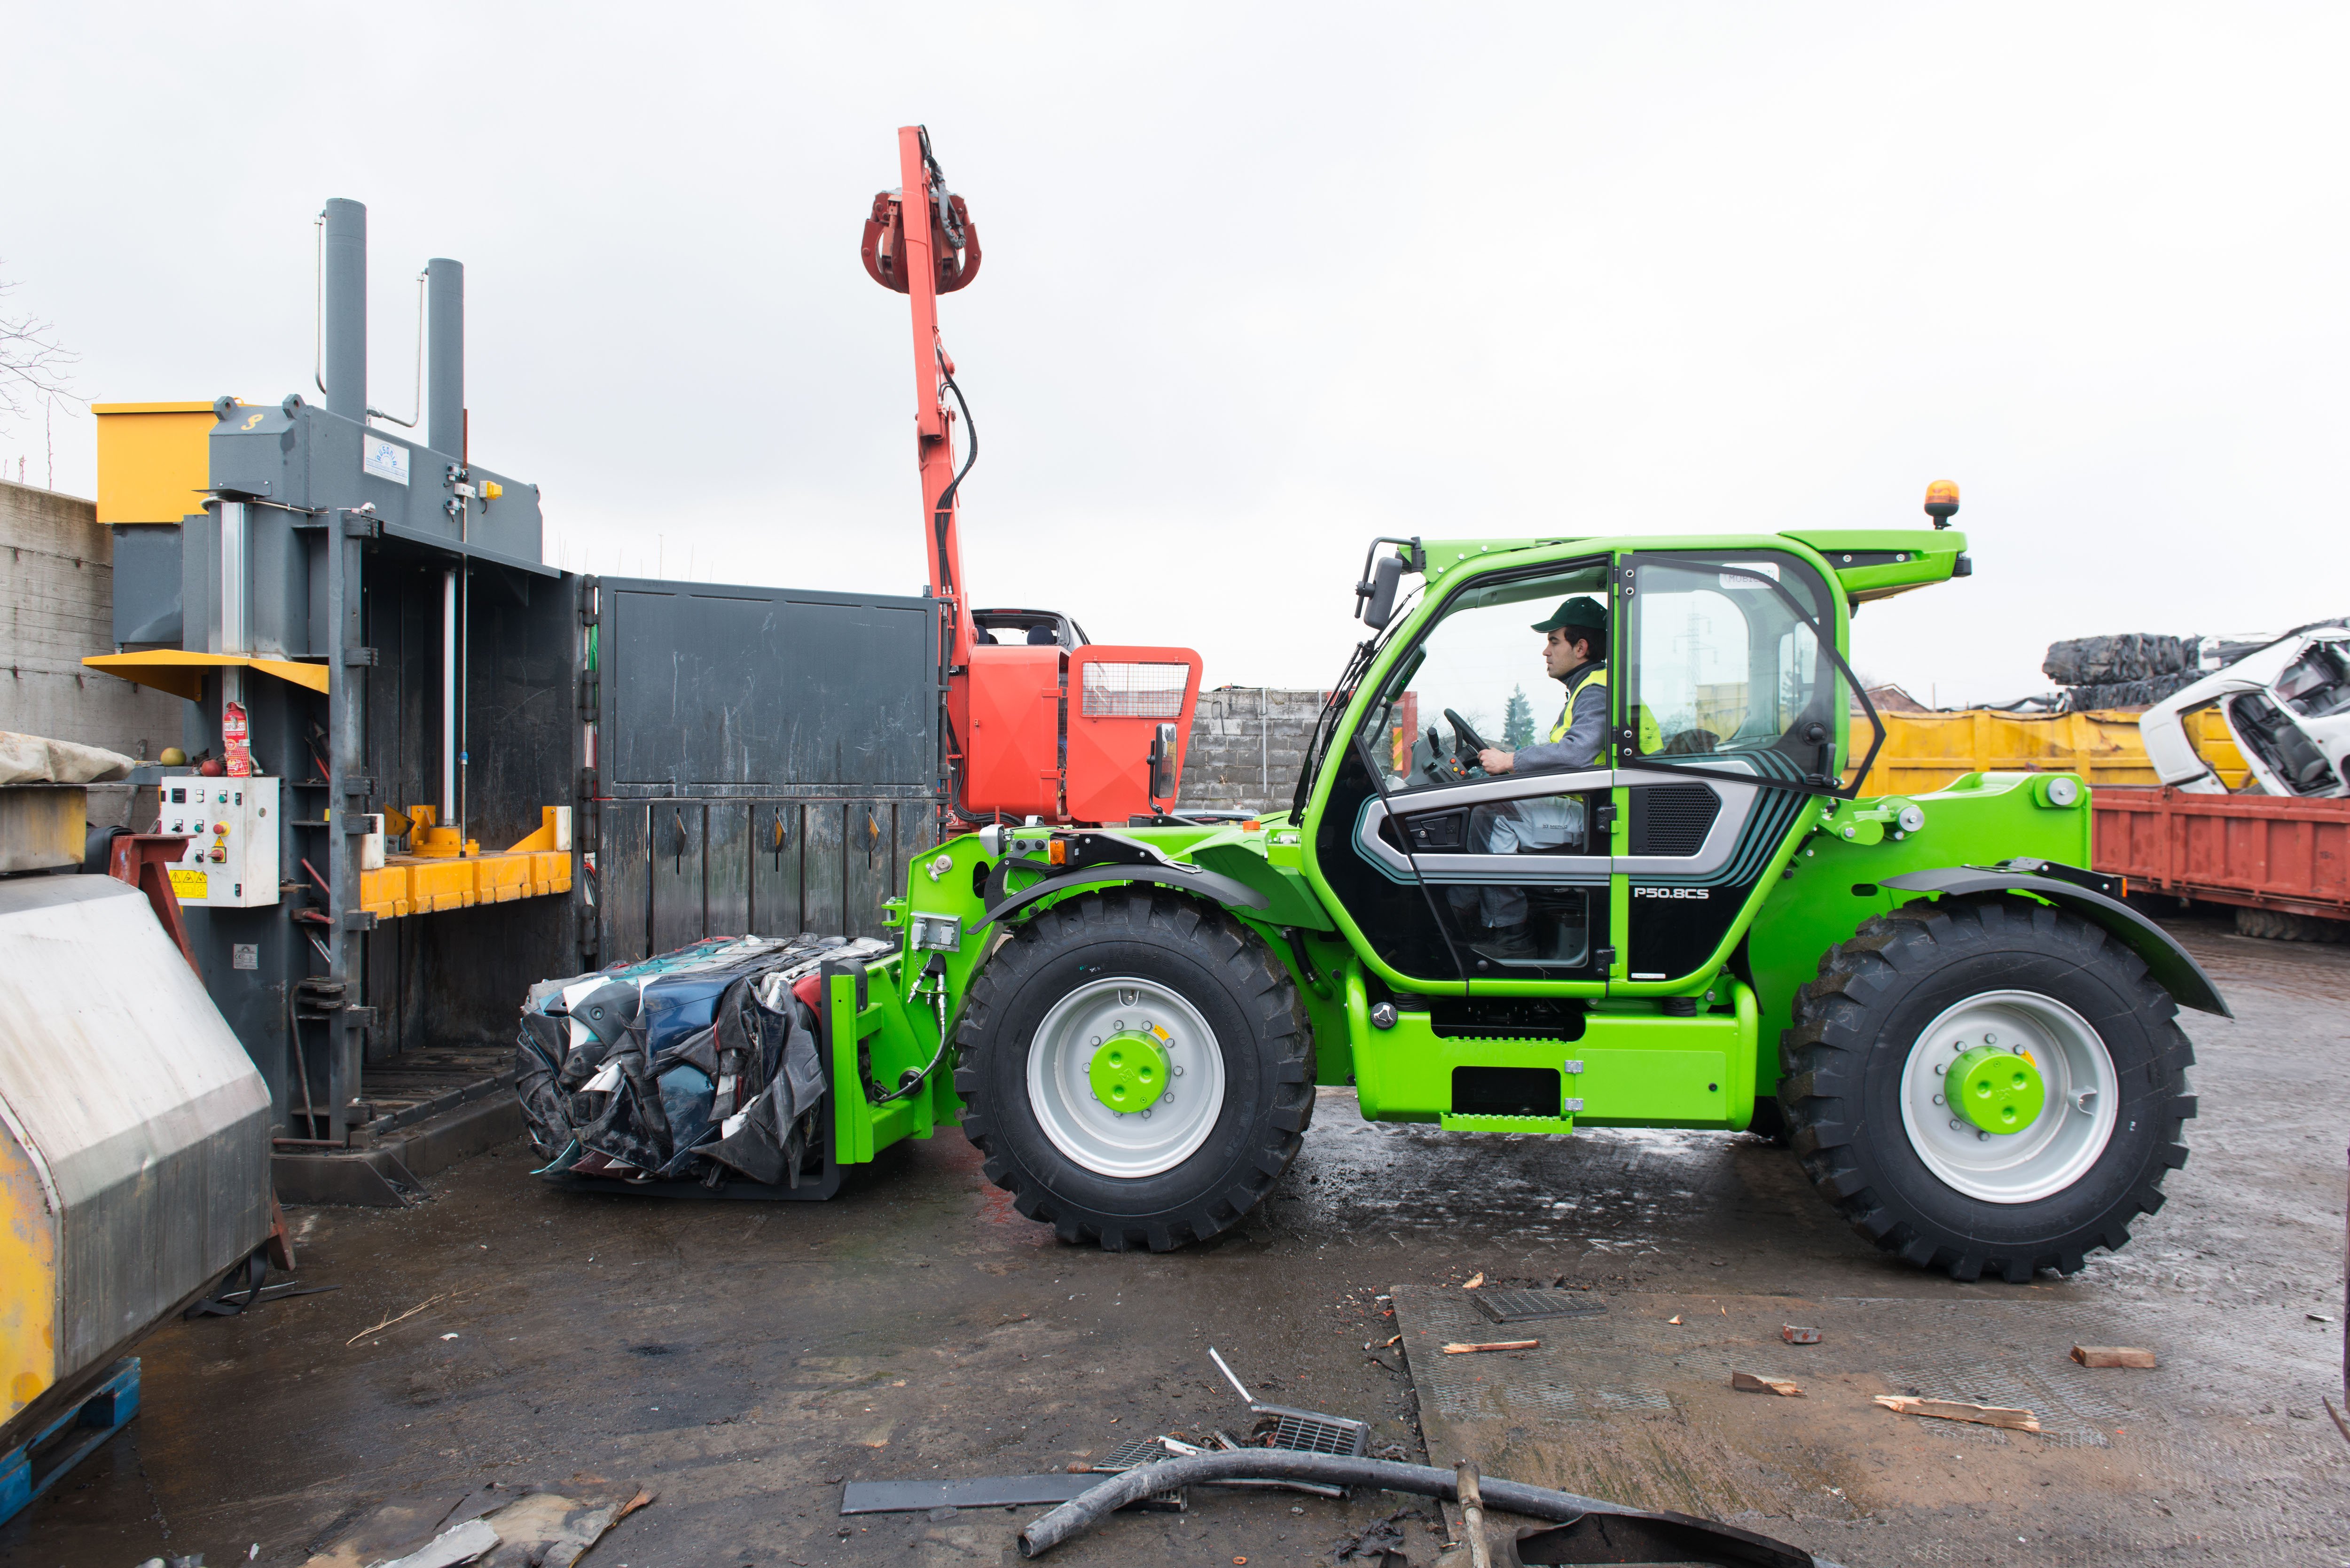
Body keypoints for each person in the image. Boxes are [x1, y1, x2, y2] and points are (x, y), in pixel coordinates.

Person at [1452, 596, 1611, 957]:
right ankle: (1465, 907)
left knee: (1491, 817)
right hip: (1592, 805)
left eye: (1554, 641)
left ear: (1581, 647)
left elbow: (1576, 752)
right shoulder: (1589, 687)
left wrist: (1510, 760)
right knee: (1489, 806)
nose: (1546, 651)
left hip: (1600, 814)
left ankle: (1508, 933)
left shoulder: (1597, 690)